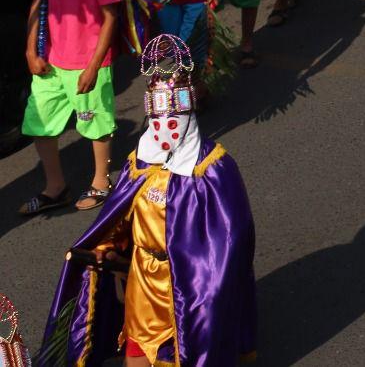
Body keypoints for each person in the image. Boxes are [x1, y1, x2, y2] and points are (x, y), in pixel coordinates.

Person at [44, 35, 257, 367]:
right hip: (143, 283)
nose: (165, 130)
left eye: (174, 120)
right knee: (138, 353)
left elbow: (233, 240)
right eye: (158, 120)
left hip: (187, 292)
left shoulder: (214, 169)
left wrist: (206, 288)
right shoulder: (138, 162)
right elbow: (120, 218)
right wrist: (107, 247)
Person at [16, 0, 128, 217]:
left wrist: (93, 67)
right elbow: (39, 1)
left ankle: (101, 181)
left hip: (88, 61)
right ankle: (56, 188)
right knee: (39, 126)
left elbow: (110, 17)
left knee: (96, 126)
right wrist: (29, 50)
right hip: (51, 60)